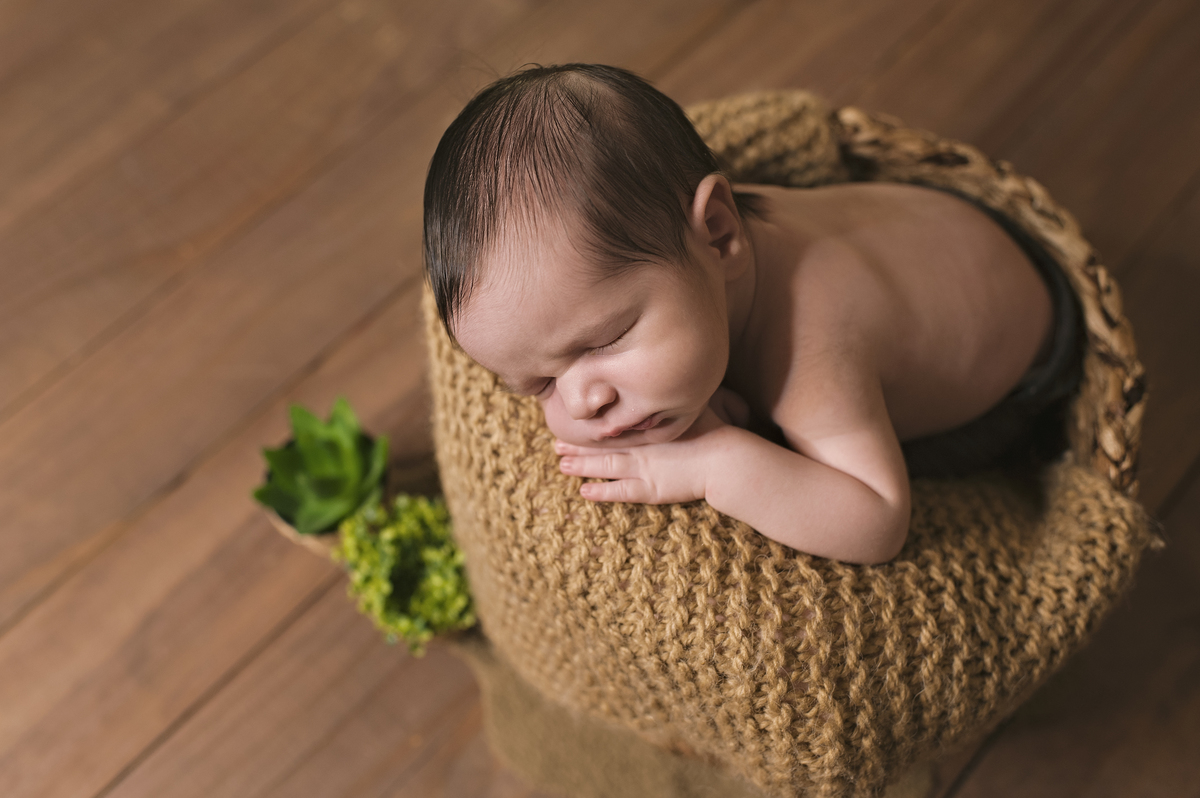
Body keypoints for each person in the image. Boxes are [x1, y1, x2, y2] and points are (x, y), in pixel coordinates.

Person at [422, 64, 1082, 564]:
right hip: (947, 238)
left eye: (605, 340)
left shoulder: (812, 353)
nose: (582, 401)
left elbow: (879, 520)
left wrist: (717, 462)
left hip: (1022, 371)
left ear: (719, 232)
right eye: (537, 384)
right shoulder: (701, 245)